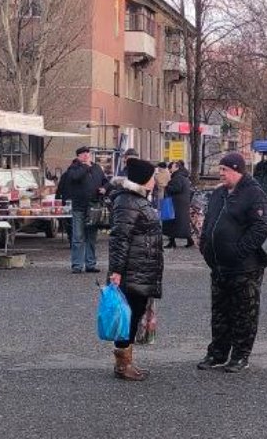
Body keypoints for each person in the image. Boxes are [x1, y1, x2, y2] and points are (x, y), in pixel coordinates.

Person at [198, 152, 267, 373]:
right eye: (219, 169)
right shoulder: (218, 194)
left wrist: (240, 251)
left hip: (244, 266)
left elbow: (262, 226)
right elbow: (209, 222)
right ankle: (218, 352)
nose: (220, 174)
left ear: (237, 170)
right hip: (219, 266)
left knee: (244, 313)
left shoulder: (254, 194)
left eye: (225, 170)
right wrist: (205, 246)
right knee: (220, 311)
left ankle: (241, 355)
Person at [107, 158, 164, 381]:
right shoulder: (129, 201)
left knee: (134, 314)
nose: (154, 180)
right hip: (132, 270)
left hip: (141, 268)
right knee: (128, 316)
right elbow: (120, 238)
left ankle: (127, 361)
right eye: (152, 177)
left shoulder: (138, 199)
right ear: (144, 179)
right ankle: (122, 365)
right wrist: (117, 271)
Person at [63, 146, 109, 273]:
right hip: (79, 207)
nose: (86, 155)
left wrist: (105, 188)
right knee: (78, 237)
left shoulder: (97, 168)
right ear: (78, 156)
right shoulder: (74, 168)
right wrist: (84, 166)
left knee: (91, 237)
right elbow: (75, 178)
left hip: (94, 207)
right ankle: (77, 265)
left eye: (87, 153)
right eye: (83, 154)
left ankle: (90, 264)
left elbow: (106, 181)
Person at [163, 160, 193, 248]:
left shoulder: (178, 177)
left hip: (176, 204)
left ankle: (174, 242)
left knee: (173, 223)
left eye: (172, 166)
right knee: (178, 223)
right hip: (179, 204)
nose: (170, 168)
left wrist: (166, 186)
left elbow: (176, 188)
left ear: (176, 167)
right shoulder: (182, 176)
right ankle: (174, 241)